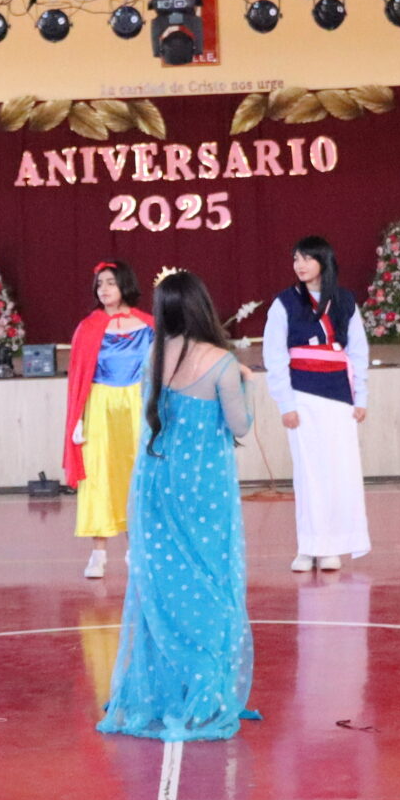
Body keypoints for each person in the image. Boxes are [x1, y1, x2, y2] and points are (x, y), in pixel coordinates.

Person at [97, 268, 260, 743]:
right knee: (209, 582)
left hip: (156, 486)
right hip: (204, 491)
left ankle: (166, 689)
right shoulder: (223, 364)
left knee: (164, 586)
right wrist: (247, 384)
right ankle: (204, 691)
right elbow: (240, 426)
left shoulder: (153, 356)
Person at [262, 234, 370, 572]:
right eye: (296, 259)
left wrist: (361, 397)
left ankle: (332, 546)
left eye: (307, 258)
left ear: (324, 261)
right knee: (308, 473)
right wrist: (285, 403)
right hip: (302, 395)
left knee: (340, 471)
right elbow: (274, 356)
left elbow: (358, 351)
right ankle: (309, 546)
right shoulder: (284, 303)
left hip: (339, 396)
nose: (300, 265)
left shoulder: (345, 301)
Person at [61, 260, 152, 580]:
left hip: (137, 404)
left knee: (135, 473)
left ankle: (135, 548)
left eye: (110, 282)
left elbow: (161, 372)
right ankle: (98, 553)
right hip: (100, 405)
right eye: (99, 284)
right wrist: (77, 419)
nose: (104, 289)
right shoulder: (88, 327)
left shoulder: (149, 326)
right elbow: (78, 378)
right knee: (98, 474)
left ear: (125, 284)